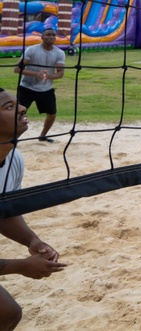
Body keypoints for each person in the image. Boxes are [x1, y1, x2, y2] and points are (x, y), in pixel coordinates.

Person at [0, 87, 68, 328]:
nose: (22, 108)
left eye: (17, 103)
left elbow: (3, 211)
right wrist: (20, 266)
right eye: (8, 107)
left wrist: (32, 240)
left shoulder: (13, 158)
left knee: (6, 314)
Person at [16, 28, 65, 143]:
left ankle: (42, 136)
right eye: (48, 34)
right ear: (42, 37)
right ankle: (13, 137)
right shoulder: (32, 50)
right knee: (18, 114)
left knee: (52, 114)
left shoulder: (59, 53)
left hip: (46, 89)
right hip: (27, 87)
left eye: (53, 35)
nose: (51, 37)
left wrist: (47, 76)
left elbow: (60, 73)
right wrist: (36, 74)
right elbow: (17, 68)